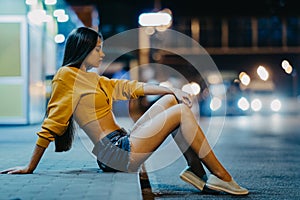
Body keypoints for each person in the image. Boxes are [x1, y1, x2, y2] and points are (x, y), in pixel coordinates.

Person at [0, 27, 249, 196]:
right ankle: (221, 176)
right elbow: (52, 123)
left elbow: (131, 88)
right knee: (182, 114)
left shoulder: (93, 79)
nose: (102, 53)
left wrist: (168, 89)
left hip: (120, 143)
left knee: (173, 103)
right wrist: (29, 167)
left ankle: (195, 171)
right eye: (98, 48)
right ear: (84, 50)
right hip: (114, 153)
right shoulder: (66, 77)